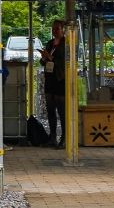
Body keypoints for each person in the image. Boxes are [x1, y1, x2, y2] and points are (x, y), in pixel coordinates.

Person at [39, 20, 67, 148]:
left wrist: (50, 57)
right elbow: (43, 62)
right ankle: (52, 137)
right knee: (50, 109)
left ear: (63, 30)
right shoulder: (50, 43)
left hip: (60, 79)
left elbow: (63, 61)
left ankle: (64, 137)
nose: (54, 31)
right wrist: (44, 57)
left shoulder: (65, 44)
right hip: (49, 79)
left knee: (62, 110)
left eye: (57, 29)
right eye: (53, 29)